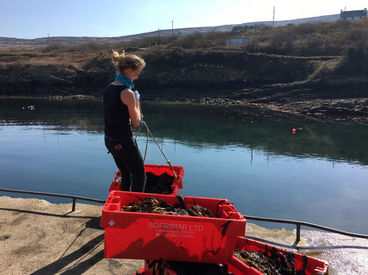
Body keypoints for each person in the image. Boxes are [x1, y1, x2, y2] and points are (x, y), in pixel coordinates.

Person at [103, 50, 146, 192]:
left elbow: (116, 113)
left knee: (126, 173)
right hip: (123, 140)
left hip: (109, 140)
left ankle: (124, 206)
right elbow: (136, 122)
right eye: (137, 73)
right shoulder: (127, 93)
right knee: (140, 174)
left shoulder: (109, 88)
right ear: (128, 71)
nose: (138, 76)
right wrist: (137, 101)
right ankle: (135, 209)